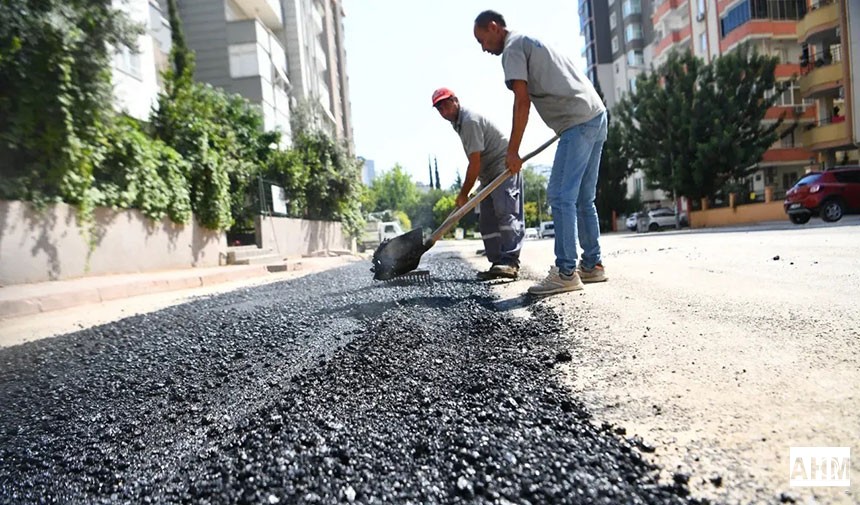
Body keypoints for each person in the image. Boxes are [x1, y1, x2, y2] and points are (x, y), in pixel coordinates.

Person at [473, 10, 608, 296]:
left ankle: (566, 272)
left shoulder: (512, 49)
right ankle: (593, 265)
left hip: (577, 121)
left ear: (494, 27)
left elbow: (522, 102)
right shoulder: (529, 40)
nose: (483, 48)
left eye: (481, 39)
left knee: (560, 196)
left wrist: (512, 152)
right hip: (596, 114)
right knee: (584, 198)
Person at [431, 87, 524, 280]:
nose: (444, 111)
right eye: (439, 109)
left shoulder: (469, 121)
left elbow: (474, 162)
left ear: (456, 100)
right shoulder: (457, 123)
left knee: (505, 213)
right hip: (488, 174)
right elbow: (477, 163)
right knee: (487, 220)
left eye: (446, 104)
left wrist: (464, 194)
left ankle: (510, 261)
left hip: (503, 167)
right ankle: (498, 263)